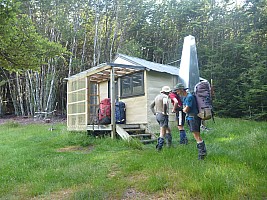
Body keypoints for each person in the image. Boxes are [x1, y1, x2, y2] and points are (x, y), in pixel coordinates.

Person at [175, 83, 207, 160]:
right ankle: (202, 152)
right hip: (191, 118)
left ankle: (202, 153)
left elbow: (186, 109)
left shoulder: (189, 97)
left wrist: (181, 109)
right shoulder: (185, 97)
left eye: (177, 90)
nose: (177, 92)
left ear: (182, 90)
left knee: (197, 136)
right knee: (196, 135)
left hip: (193, 118)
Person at [150, 86, 172, 151]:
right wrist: (165, 112)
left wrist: (155, 113)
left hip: (158, 115)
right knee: (162, 132)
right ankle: (159, 147)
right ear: (166, 92)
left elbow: (151, 106)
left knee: (168, 129)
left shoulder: (157, 97)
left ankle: (169, 144)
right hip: (163, 116)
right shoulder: (165, 97)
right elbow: (165, 104)